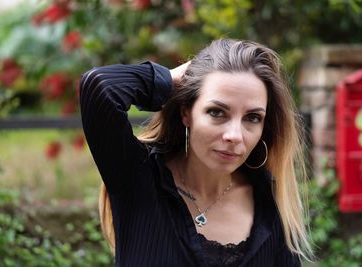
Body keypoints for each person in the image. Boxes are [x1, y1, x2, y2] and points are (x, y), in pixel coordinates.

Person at [79, 39, 313, 266]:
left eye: (252, 118)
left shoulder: (271, 203)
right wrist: (170, 78)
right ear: (186, 114)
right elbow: (99, 86)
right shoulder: (139, 177)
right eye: (217, 112)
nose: (235, 135)